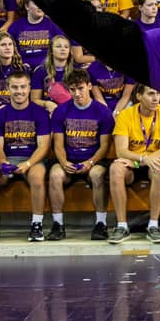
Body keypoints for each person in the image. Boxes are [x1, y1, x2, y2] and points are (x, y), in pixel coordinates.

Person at [0, 71, 52, 241]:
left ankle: (37, 225)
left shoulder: (39, 113)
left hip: (33, 160)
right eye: (14, 87)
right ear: (8, 89)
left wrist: (28, 164)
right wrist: (3, 162)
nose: (19, 91)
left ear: (29, 88)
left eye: (23, 87)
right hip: (9, 159)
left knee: (36, 176)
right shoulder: (0, 114)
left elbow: (43, 146)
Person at [45, 68, 114, 241]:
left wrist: (90, 163)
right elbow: (58, 144)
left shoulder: (103, 112)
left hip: (93, 161)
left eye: (80, 88)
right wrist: (63, 161)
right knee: (54, 174)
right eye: (72, 89)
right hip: (69, 160)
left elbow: (104, 146)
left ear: (89, 86)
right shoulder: (61, 111)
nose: (77, 93)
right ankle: (58, 224)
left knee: (98, 175)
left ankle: (101, 224)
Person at [108, 83, 160, 242]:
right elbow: (121, 151)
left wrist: (141, 162)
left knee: (159, 168)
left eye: (158, 94)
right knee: (115, 169)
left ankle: (153, 225)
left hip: (154, 161)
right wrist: (141, 159)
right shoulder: (126, 115)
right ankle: (122, 226)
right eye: (151, 94)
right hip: (134, 161)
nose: (156, 98)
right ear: (139, 96)